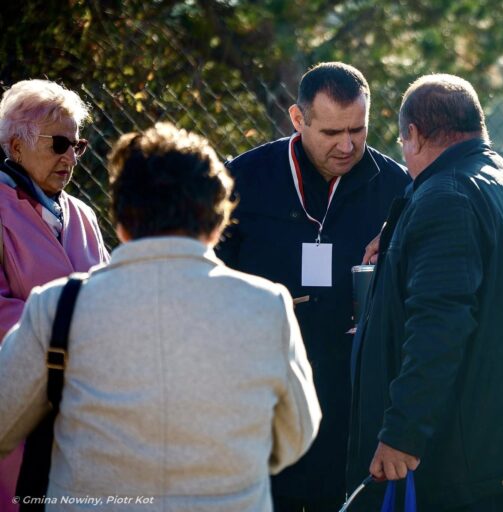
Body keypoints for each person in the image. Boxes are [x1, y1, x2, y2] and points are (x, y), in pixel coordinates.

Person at [0, 122, 321, 511]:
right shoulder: (266, 306)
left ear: (120, 220)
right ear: (217, 222)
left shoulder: (58, 308)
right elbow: (296, 435)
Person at [347, 74, 503, 511]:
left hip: (469, 458)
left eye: (402, 141)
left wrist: (403, 433)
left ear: (413, 134)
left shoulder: (447, 195)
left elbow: (439, 326)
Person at [216, 62, 410, 511]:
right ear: (298, 119)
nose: (347, 145)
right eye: (331, 132)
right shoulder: (242, 180)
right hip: (265, 396)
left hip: (352, 401)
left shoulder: (397, 187)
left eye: (357, 130)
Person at [0, 79, 110, 512]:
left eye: (77, 146)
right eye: (59, 144)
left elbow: (106, 291)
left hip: (81, 405)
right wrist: (67, 331)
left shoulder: (82, 213)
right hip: (18, 403)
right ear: (16, 147)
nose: (71, 157)